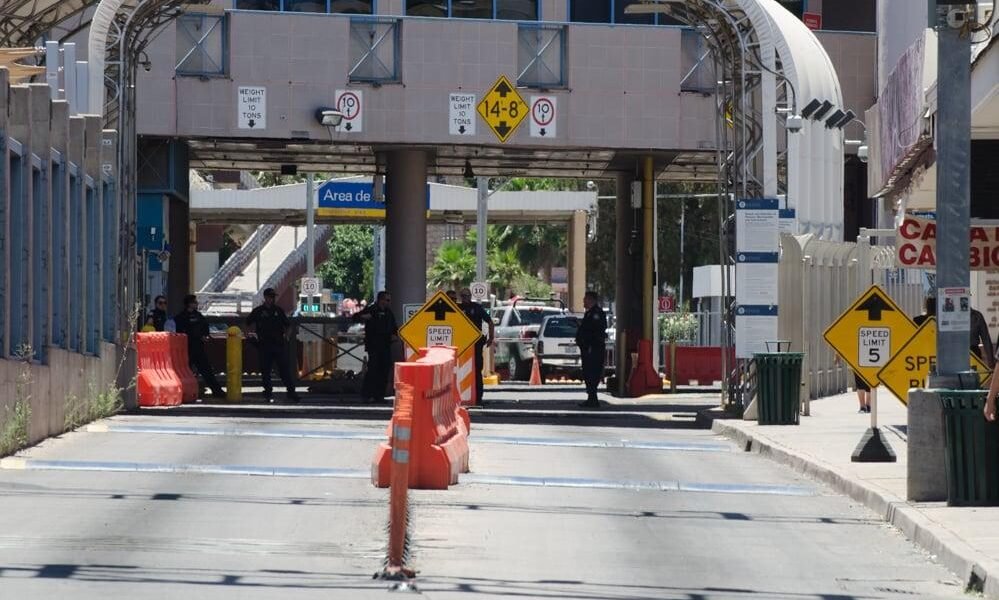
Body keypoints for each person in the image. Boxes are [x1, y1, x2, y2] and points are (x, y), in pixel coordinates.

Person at [246, 287, 300, 403]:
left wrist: (287, 336)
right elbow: (247, 322)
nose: (272, 299)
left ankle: (291, 392)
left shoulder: (278, 310)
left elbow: (288, 325)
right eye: (270, 297)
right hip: (264, 345)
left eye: (273, 297)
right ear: (265, 297)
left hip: (278, 344)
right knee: (265, 371)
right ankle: (268, 392)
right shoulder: (258, 311)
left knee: (284, 370)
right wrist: (249, 335)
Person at [173, 294, 225, 399]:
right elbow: (178, 332)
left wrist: (205, 335)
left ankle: (217, 391)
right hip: (186, 348)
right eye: (194, 302)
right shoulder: (181, 317)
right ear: (189, 304)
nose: (196, 304)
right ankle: (181, 391)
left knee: (206, 370)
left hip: (198, 347)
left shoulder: (199, 316)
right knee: (184, 371)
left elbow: (205, 327)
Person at [354, 291, 399, 403]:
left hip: (386, 345)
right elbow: (356, 317)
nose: (389, 302)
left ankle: (379, 395)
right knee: (373, 369)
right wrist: (365, 317)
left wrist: (395, 335)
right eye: (387, 300)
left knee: (384, 370)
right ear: (381, 300)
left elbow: (394, 327)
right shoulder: (372, 309)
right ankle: (367, 395)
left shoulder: (388, 312)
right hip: (374, 345)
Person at [459, 287, 494, 405]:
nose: (465, 298)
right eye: (463, 296)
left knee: (477, 369)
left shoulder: (477, 308)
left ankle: (478, 397)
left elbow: (490, 321)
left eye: (467, 296)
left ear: (470, 296)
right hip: (462, 344)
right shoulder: (458, 308)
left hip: (476, 344)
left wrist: (491, 338)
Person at [575, 291, 608, 408]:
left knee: (592, 373)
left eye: (586, 299)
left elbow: (596, 331)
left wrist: (589, 344)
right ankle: (591, 398)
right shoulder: (589, 314)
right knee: (588, 373)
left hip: (593, 349)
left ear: (591, 300)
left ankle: (593, 399)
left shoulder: (596, 314)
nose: (584, 301)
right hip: (588, 349)